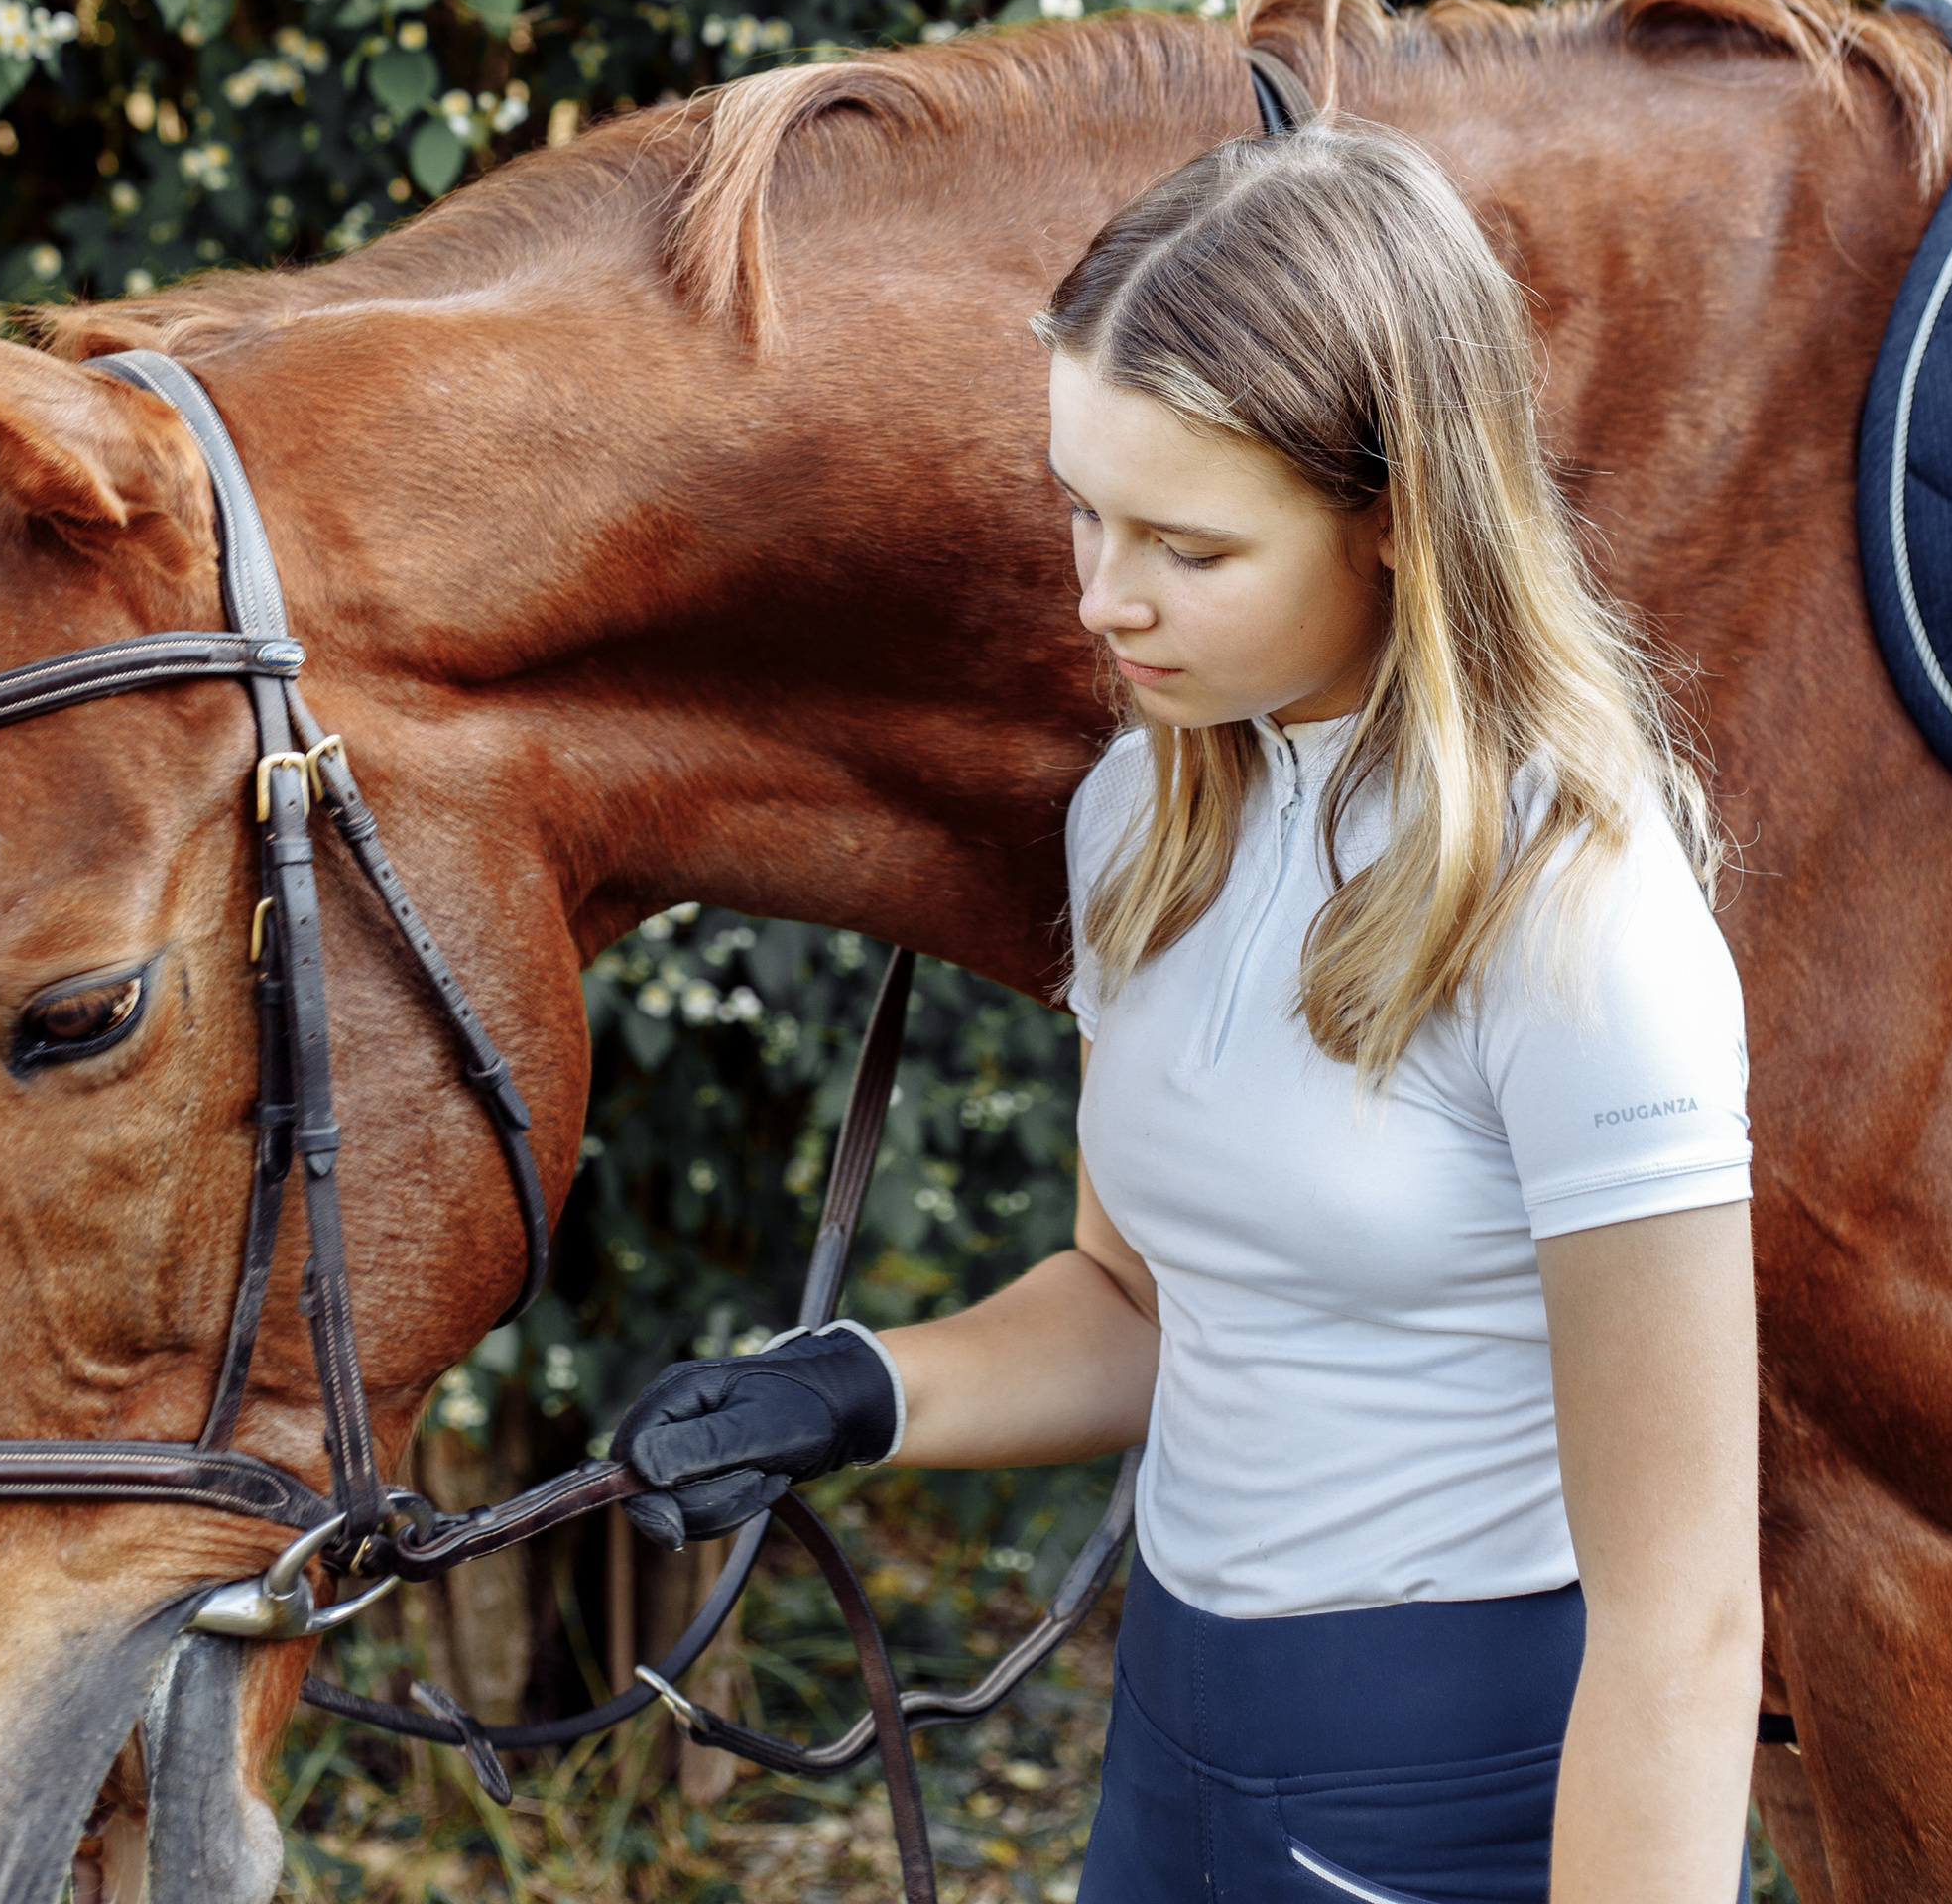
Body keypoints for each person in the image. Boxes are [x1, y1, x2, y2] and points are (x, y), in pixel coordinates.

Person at [607, 120, 1762, 1904]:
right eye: (1081, 506)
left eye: (1188, 547)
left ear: (1392, 515)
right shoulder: (1141, 814)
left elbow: (1684, 1620)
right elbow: (1148, 1299)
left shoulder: (1576, 915)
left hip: (1459, 1801)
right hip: (1169, 1757)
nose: (1100, 597)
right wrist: (848, 1391)